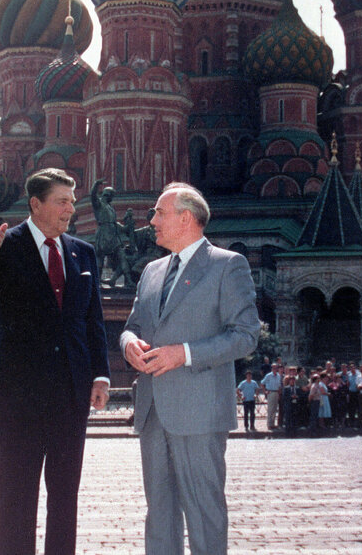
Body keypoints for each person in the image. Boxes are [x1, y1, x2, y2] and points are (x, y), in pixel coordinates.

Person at [0, 168, 110, 555]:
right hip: (20, 399)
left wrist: (101, 376)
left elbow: (92, 322)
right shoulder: (5, 245)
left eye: (73, 202)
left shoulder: (83, 252)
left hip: (71, 399)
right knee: (16, 496)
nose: (70, 210)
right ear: (36, 205)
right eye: (62, 201)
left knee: (65, 499)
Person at [120, 182, 260, 555]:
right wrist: (129, 344)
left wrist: (183, 354)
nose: (151, 221)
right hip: (152, 413)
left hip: (200, 414)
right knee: (159, 515)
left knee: (204, 514)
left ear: (186, 218)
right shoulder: (150, 270)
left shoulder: (228, 265)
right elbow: (132, 326)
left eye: (159, 213)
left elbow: (246, 336)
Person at [260, 362, 283, 431]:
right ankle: (269, 424)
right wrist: (265, 391)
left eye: (276, 368)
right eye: (273, 368)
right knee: (270, 409)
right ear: (271, 368)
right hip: (270, 392)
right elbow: (262, 383)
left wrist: (279, 394)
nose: (275, 369)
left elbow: (279, 386)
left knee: (275, 409)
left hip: (276, 393)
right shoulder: (268, 375)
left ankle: (273, 424)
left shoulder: (279, 376)